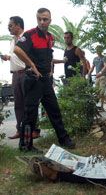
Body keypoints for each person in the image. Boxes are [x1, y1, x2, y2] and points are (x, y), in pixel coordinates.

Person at [14, 8, 75, 152]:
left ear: (50, 21)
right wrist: (32, 65)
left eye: (45, 19)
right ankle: (25, 145)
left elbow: (47, 58)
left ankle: (64, 139)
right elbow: (17, 50)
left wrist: (50, 70)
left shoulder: (50, 37)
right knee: (30, 115)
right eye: (40, 19)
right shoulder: (29, 35)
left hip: (46, 80)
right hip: (33, 79)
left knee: (54, 110)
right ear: (37, 19)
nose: (42, 21)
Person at [0, 16, 40, 139]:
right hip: (15, 75)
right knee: (18, 104)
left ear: (18, 25)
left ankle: (34, 131)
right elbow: (15, 56)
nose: (8, 27)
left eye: (11, 25)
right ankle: (20, 130)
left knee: (30, 103)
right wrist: (7, 57)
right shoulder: (12, 40)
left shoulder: (27, 38)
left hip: (26, 73)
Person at [87, 46, 106, 111]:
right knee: (97, 93)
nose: (98, 51)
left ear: (101, 50)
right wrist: (89, 73)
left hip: (103, 77)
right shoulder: (95, 59)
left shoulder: (104, 58)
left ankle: (102, 107)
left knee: (101, 93)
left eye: (99, 49)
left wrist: (100, 72)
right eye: (97, 49)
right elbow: (92, 67)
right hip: (97, 77)